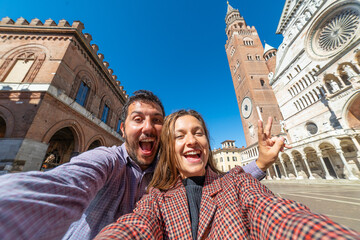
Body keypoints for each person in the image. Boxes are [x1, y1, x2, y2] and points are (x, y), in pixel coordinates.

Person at [0, 90, 272, 240]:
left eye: (156, 120)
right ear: (123, 128)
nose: (148, 127)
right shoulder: (107, 160)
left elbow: (222, 182)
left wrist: (260, 163)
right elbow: (64, 184)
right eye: (138, 119)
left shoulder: (169, 172)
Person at [95, 110, 359, 239]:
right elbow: (135, 227)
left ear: (207, 143)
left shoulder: (237, 182)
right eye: (180, 135)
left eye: (198, 133)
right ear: (169, 149)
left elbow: (279, 216)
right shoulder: (157, 198)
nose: (192, 141)